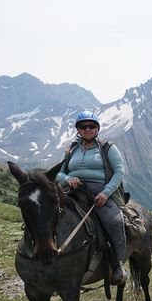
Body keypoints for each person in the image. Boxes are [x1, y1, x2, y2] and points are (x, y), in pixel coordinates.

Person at [56, 110, 128, 284]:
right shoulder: (71, 150)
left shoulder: (107, 148)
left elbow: (119, 171)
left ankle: (118, 265)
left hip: (99, 192)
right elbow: (59, 173)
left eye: (91, 126)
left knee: (115, 222)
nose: (87, 129)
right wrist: (68, 178)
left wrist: (106, 192)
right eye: (83, 126)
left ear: (97, 129)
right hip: (73, 191)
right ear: (78, 130)